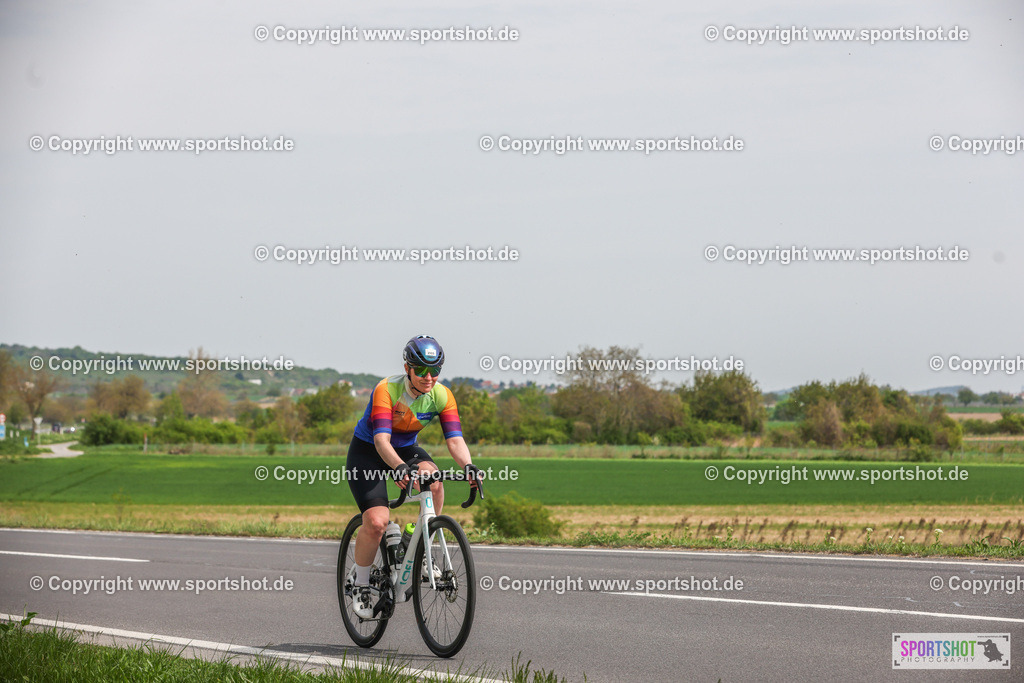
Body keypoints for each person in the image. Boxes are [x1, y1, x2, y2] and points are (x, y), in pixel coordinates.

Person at [346, 334, 480, 619]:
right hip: (369, 451)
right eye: (420, 370)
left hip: (405, 449)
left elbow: (455, 440)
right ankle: (360, 584)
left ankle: (420, 546)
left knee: (435, 480)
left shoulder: (442, 395)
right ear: (407, 367)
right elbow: (381, 440)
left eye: (435, 370)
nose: (428, 377)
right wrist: (397, 467)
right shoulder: (387, 389)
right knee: (377, 522)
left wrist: (469, 465)